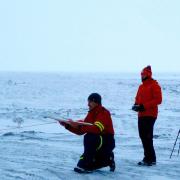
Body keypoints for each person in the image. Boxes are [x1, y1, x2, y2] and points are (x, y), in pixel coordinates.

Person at [59, 93, 115, 173]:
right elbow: (81, 131)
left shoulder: (104, 113)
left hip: (106, 142)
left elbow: (97, 129)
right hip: (98, 141)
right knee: (84, 164)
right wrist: (68, 125)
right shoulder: (91, 113)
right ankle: (103, 159)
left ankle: (107, 158)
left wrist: (78, 124)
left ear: (95, 102)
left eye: (89, 102)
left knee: (90, 137)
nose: (88, 104)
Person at [132, 66, 162, 166]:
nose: (142, 76)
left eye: (143, 74)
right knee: (142, 136)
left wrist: (144, 106)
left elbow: (158, 100)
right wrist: (136, 105)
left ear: (148, 74)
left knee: (147, 137)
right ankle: (147, 158)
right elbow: (137, 98)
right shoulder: (141, 86)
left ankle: (151, 159)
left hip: (150, 114)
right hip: (141, 114)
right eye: (141, 74)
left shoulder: (154, 85)